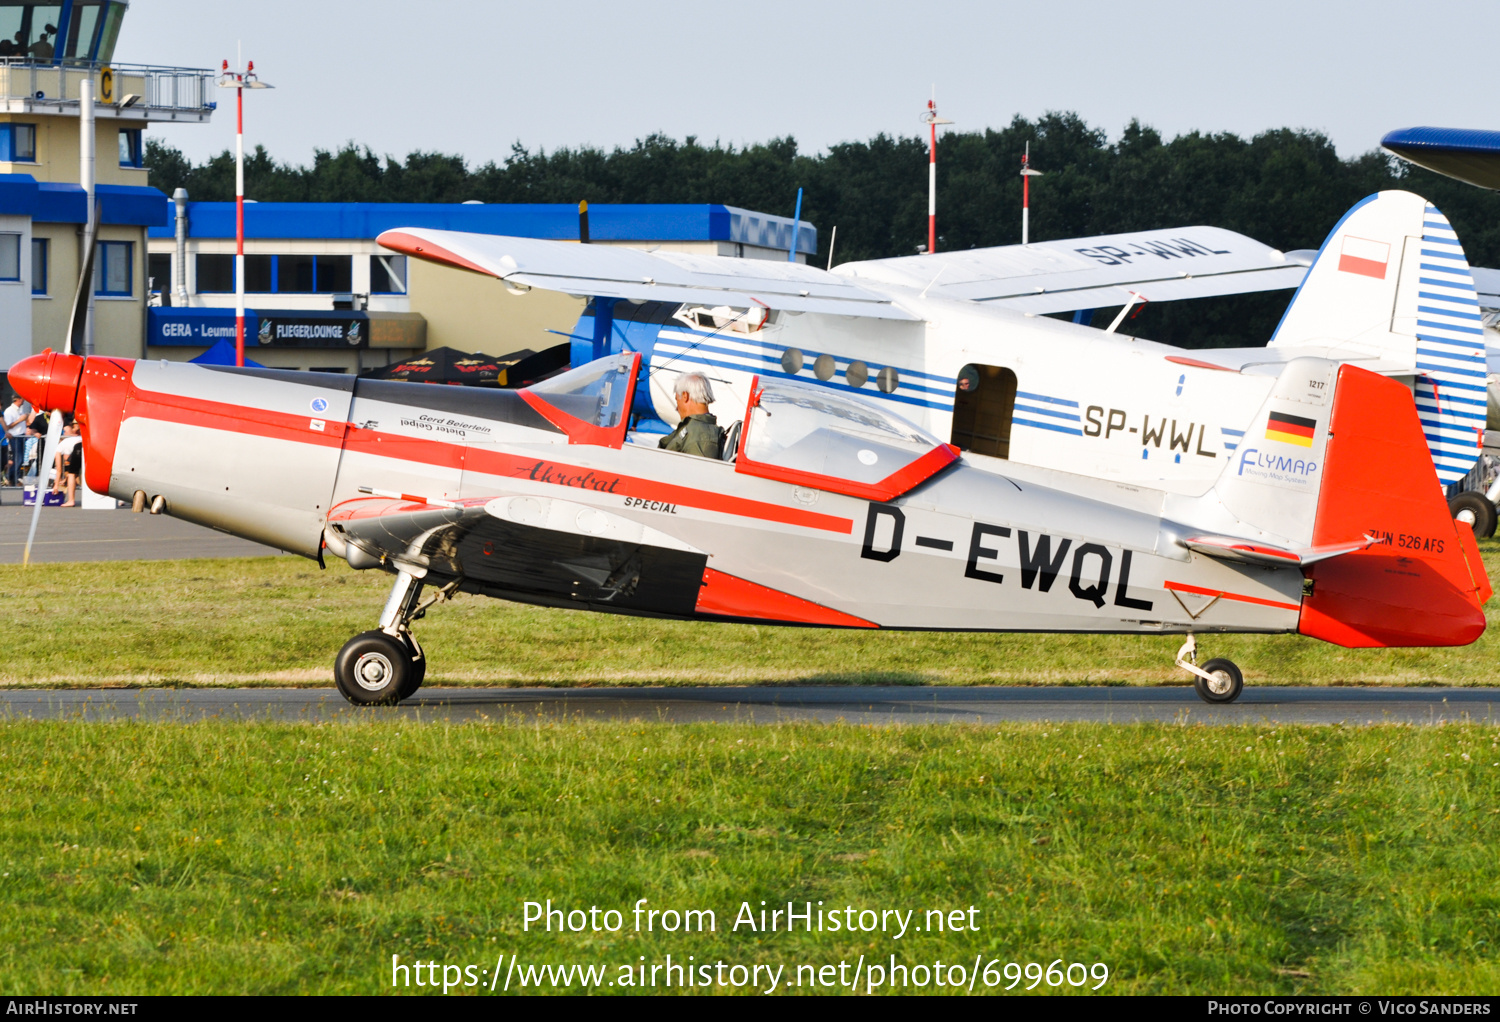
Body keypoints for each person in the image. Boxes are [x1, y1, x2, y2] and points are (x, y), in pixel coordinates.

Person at [657, 372, 724, 459]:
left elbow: (700, 470)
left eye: (677, 400)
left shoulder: (701, 436)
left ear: (685, 396)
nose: (677, 408)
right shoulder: (692, 429)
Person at [51, 420, 81, 507]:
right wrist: (65, 480)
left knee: (72, 474)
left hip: (78, 448)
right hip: (87, 445)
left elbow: (59, 469)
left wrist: (56, 485)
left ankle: (71, 500)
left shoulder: (59, 447)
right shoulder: (75, 438)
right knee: (77, 476)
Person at [3, 395, 30, 485]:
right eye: (22, 399)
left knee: (20, 459)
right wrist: (19, 420)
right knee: (19, 459)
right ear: (18, 400)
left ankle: (12, 477)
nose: (23, 401)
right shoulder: (9, 411)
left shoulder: (19, 410)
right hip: (15, 437)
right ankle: (12, 477)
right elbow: (8, 426)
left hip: (21, 436)